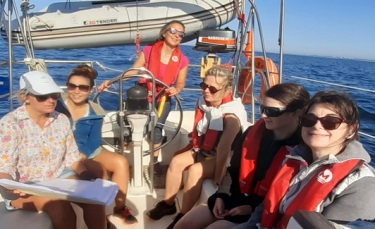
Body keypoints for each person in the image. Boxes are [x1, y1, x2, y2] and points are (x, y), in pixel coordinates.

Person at [174, 83, 310, 229]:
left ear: (297, 113)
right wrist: (221, 195)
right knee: (183, 224)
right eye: (262, 108)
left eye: (272, 111)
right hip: (236, 197)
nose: (264, 115)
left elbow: (288, 194)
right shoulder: (252, 134)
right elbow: (233, 170)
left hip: (262, 209)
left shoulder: (303, 150)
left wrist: (250, 207)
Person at [234, 91, 375, 229]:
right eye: (309, 120)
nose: (316, 126)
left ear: (351, 130)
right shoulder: (294, 160)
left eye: (330, 122)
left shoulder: (361, 183)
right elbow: (266, 206)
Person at [146, 65, 249, 229]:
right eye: (204, 86)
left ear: (228, 90)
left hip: (224, 158)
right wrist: (192, 146)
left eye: (213, 89)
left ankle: (182, 215)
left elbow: (223, 149)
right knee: (176, 162)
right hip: (203, 150)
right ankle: (168, 204)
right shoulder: (203, 102)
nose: (207, 91)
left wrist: (218, 177)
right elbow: (198, 130)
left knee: (195, 171)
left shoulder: (232, 116)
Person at [0, 71, 106, 229]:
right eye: (42, 96)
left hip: (58, 176)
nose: (51, 100)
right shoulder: (10, 124)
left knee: (95, 199)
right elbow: (4, 168)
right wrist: (12, 188)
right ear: (25, 97)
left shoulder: (61, 119)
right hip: (25, 186)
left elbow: (71, 157)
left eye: (55, 95)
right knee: (58, 205)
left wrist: (85, 174)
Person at [98, 20, 189, 173]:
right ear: (165, 32)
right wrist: (111, 81)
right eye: (173, 31)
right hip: (141, 95)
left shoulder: (183, 60)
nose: (177, 35)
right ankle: (121, 160)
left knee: (157, 130)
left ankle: (154, 164)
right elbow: (133, 71)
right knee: (126, 126)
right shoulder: (148, 51)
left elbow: (181, 83)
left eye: (181, 34)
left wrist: (176, 90)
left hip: (163, 99)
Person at [55, 65, 137, 224]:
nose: (76, 91)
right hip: (63, 151)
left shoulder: (97, 110)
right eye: (72, 86)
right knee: (101, 173)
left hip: (86, 149)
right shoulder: (56, 104)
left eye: (83, 87)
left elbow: (94, 140)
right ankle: (101, 216)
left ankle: (120, 208)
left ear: (91, 90)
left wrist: (83, 153)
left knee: (121, 162)